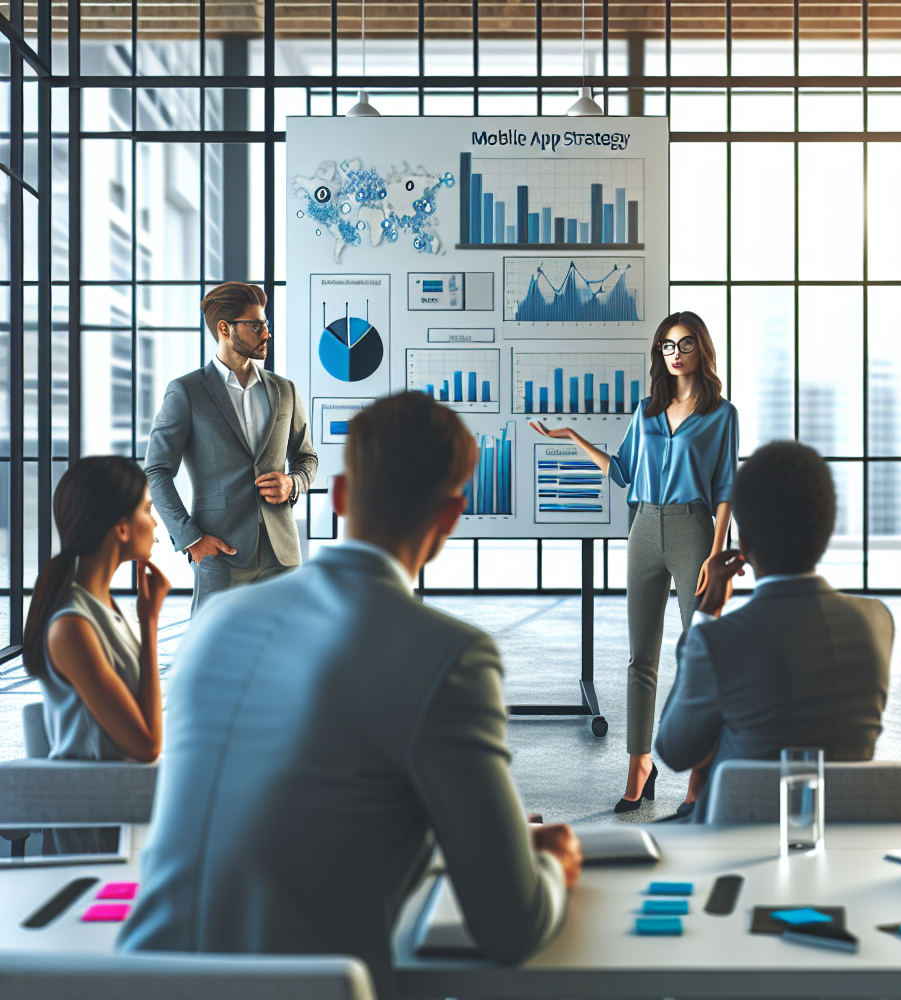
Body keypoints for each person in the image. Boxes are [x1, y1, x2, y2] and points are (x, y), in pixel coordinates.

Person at [118, 391, 582, 999]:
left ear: (339, 498)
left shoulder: (217, 623)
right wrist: (549, 863)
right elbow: (509, 927)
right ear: (450, 517)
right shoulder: (449, 655)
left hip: (135, 982)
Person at [531, 312, 738, 814]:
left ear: (701, 349)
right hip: (643, 528)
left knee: (701, 658)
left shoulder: (721, 414)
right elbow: (622, 472)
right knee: (639, 660)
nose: (675, 353)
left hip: (693, 528)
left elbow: (728, 489)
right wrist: (571, 437)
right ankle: (638, 768)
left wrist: (715, 553)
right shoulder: (645, 411)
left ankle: (699, 778)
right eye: (667, 345)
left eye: (685, 343)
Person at [655, 439, 894, 823]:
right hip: (845, 836)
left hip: (736, 838)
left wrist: (707, 613)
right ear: (826, 531)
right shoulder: (878, 620)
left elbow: (674, 749)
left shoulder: (717, 641)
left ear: (744, 545)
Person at [144, 281, 318, 612]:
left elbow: (306, 457)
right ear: (225, 329)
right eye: (256, 325)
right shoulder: (186, 392)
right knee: (215, 653)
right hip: (220, 553)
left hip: (282, 553)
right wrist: (190, 539)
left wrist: (292, 483)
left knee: (285, 650)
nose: (266, 333)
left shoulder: (285, 391)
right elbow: (157, 470)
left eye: (265, 324)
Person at [21, 456, 169, 762]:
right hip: (103, 794)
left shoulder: (101, 603)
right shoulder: (72, 626)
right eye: (147, 509)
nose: (155, 522)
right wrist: (150, 622)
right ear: (122, 529)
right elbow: (149, 746)